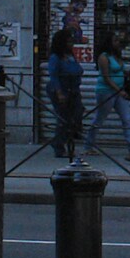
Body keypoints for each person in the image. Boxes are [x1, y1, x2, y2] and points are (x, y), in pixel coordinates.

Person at [88, 31, 130, 154]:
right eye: (115, 41)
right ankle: (88, 145)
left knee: (127, 118)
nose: (118, 43)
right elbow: (106, 77)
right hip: (106, 91)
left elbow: (120, 71)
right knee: (100, 118)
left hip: (119, 91)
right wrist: (120, 91)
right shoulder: (104, 57)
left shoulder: (117, 56)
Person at [45, 27, 85, 161]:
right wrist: (59, 93)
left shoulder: (70, 56)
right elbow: (54, 75)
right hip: (62, 89)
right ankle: (59, 145)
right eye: (68, 42)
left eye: (72, 42)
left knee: (77, 113)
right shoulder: (55, 57)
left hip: (73, 89)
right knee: (63, 118)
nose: (71, 44)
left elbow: (78, 69)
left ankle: (66, 139)